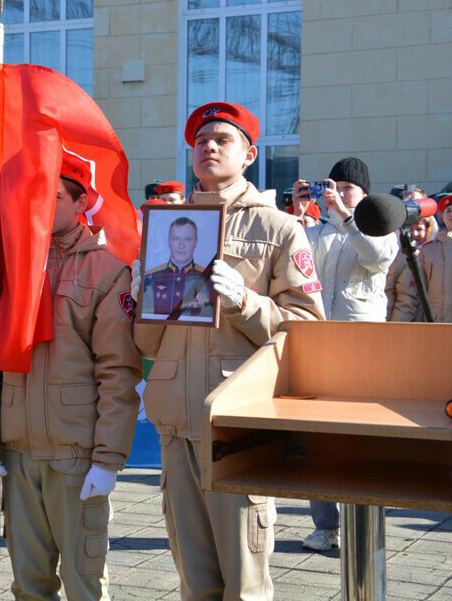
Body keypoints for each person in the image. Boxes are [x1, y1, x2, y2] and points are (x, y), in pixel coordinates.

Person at [133, 102, 325, 601]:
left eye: (222, 139)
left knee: (244, 585)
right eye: (200, 140)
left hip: (236, 426)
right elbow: (145, 344)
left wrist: (244, 301)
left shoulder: (278, 228)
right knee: (194, 583)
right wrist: (143, 302)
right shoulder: (163, 229)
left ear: (249, 155)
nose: (209, 146)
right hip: (176, 427)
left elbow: (307, 329)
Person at [0, 156, 143, 601]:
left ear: (81, 201)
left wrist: (108, 458)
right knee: (28, 586)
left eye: (53, 196)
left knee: (83, 584)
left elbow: (118, 375)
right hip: (17, 456)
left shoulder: (105, 271)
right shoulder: (7, 269)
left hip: (76, 455)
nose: (38, 205)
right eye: (33, 194)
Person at [295, 158, 398, 552]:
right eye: (332, 186)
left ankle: (364, 520)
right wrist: (299, 216)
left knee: (361, 438)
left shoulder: (380, 228)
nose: (337, 193)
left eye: (348, 188)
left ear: (364, 194)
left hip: (362, 349)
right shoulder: (318, 231)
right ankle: (325, 526)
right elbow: (297, 269)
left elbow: (374, 258)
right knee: (317, 437)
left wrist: (346, 217)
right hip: (320, 342)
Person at [392, 193, 452, 323]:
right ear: (441, 216)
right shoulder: (428, 249)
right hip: (434, 319)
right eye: (448, 211)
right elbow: (417, 289)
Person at [142, 216, 213, 318]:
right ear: (168, 241)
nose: (181, 245)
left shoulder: (209, 279)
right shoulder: (150, 278)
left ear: (195, 242)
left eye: (188, 239)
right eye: (176, 239)